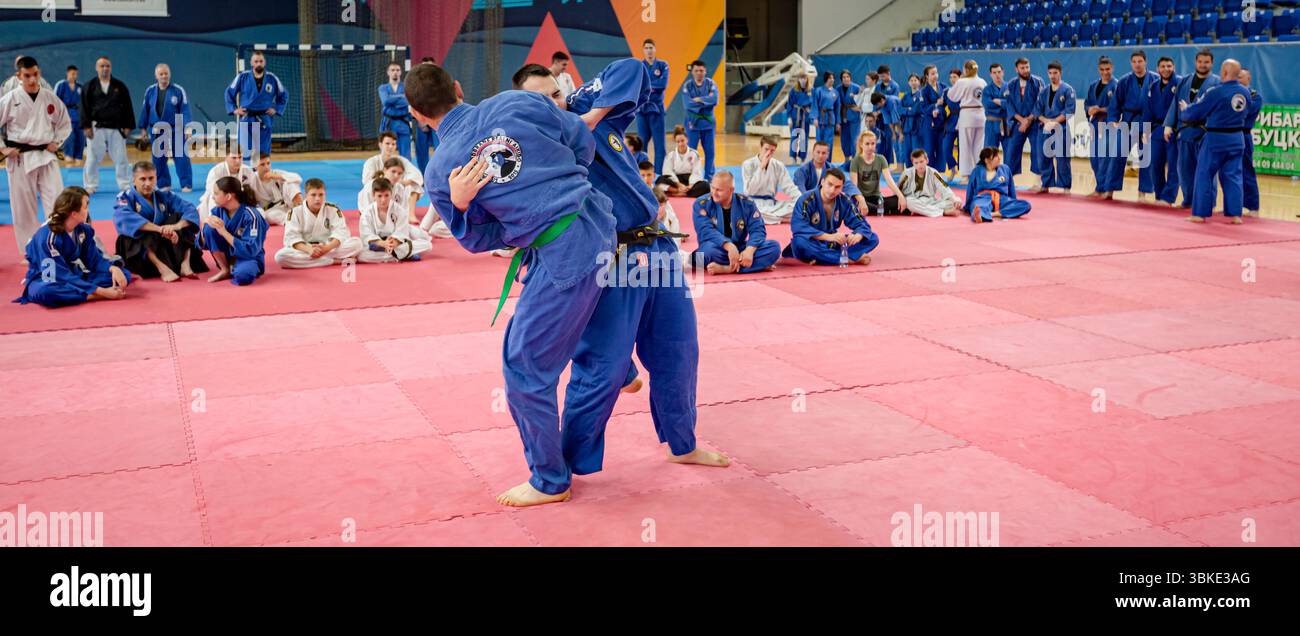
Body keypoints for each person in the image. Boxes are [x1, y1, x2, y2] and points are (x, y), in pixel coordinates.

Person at [409, 62, 619, 507]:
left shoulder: (441, 170)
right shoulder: (519, 100)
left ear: (415, 114)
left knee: (524, 369)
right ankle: (622, 367)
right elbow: (581, 140)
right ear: (460, 87)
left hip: (566, 254)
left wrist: (468, 204)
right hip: (599, 223)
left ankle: (550, 480)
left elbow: (477, 239)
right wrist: (564, 187)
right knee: (566, 311)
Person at [518, 58, 728, 484]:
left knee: (680, 350)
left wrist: (589, 116)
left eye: (558, 93)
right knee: (604, 367)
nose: (557, 105)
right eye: (543, 102)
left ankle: (681, 443)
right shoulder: (538, 152)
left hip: (659, 246)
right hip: (611, 261)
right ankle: (567, 466)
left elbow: (630, 68)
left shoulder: (585, 115)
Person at [14, 186, 131, 307]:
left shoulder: (83, 230)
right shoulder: (49, 238)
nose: (88, 211)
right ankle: (91, 295)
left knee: (123, 275)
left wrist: (113, 269)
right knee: (47, 293)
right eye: (86, 207)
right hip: (46, 277)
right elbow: (59, 275)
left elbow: (94, 260)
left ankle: (85, 291)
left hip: (72, 273)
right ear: (74, 213)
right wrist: (103, 292)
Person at [0, 56, 70, 255]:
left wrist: (56, 141)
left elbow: (64, 122)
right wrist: (3, 148)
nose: (32, 80)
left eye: (35, 74)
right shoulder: (10, 98)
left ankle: (57, 244)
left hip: (46, 157)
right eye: (27, 75)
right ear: (19, 76)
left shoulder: (49, 97)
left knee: (57, 201)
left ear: (40, 72)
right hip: (20, 157)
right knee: (23, 208)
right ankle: (30, 250)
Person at [1179, 59, 1251, 225]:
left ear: (1224, 73)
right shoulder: (1245, 92)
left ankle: (1199, 214)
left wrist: (1185, 110)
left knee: (1204, 174)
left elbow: (1195, 113)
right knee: (1233, 176)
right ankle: (1235, 215)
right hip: (1237, 138)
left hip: (1216, 139)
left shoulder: (1216, 92)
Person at [114, 161, 207, 281]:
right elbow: (124, 218)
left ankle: (185, 263)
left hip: (164, 243)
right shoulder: (125, 197)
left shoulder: (163, 195)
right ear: (134, 180)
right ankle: (163, 269)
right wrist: (160, 229)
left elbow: (189, 209)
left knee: (180, 218)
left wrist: (176, 227)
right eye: (142, 179)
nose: (147, 183)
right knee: (134, 233)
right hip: (142, 253)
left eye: (151, 178)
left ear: (156, 178)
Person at [783, 168, 879, 266]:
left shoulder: (844, 201)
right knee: (799, 242)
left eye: (837, 187)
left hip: (832, 244)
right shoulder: (806, 200)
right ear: (823, 182)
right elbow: (799, 228)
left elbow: (861, 223)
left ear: (842, 188)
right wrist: (830, 237)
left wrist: (858, 235)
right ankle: (847, 258)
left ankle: (825, 258)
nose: (832, 190)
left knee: (872, 237)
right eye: (830, 184)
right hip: (813, 242)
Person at [692, 172, 781, 274]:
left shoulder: (746, 204)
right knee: (704, 253)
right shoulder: (701, 204)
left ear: (731, 190)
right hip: (715, 248)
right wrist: (729, 246)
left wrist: (749, 250)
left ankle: (726, 269)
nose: (714, 193)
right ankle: (755, 266)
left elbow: (758, 229)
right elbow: (706, 231)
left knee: (775, 248)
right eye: (712, 188)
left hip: (740, 249)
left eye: (719, 190)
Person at [1163, 49, 1220, 210]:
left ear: (1212, 63)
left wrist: (1193, 110)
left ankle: (1208, 203)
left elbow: (1217, 108)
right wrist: (1168, 125)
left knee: (1207, 170)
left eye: (1206, 62)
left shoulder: (1217, 83)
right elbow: (1175, 103)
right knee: (1184, 170)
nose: (1203, 65)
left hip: (1205, 132)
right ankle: (1188, 200)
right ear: (1196, 62)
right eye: (1200, 61)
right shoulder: (1185, 80)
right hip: (1185, 131)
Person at [274, 178, 363, 268]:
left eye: (321, 195)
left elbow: (342, 232)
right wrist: (309, 250)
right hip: (305, 249)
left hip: (327, 247)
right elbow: (291, 237)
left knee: (357, 243)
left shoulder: (333, 209)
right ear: (306, 195)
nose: (317, 199)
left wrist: (326, 248)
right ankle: (333, 261)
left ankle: (313, 261)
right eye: (313, 195)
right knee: (281, 257)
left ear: (325, 195)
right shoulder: (294, 212)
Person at [81, 56, 134, 194]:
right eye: (102, 66)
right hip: (96, 126)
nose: (105, 69)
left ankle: (124, 184)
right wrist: (86, 126)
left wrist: (128, 125)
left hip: (116, 126)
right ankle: (90, 185)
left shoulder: (119, 86)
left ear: (111, 68)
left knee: (121, 156)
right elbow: (84, 107)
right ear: (96, 68)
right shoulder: (89, 86)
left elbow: (127, 106)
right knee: (92, 157)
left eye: (107, 66)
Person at [201, 176, 269, 284]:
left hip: (248, 257)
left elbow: (251, 250)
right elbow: (203, 244)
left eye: (216, 193)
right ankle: (225, 269)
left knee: (243, 276)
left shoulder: (252, 216)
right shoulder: (217, 211)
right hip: (227, 257)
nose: (213, 197)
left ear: (228, 196)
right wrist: (205, 224)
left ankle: (236, 268)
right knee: (209, 227)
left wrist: (223, 232)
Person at [1107, 51, 1154, 202]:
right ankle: (1110, 190)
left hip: (1147, 123)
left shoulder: (1155, 80)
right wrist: (1113, 119)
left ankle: (1143, 193)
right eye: (1134, 61)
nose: (1137, 64)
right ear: (1131, 63)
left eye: (1140, 61)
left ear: (1145, 62)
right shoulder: (1124, 81)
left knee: (1145, 159)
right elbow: (1116, 102)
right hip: (1128, 121)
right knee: (1117, 155)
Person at [138, 63, 193, 192]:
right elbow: (145, 110)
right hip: (156, 129)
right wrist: (143, 128)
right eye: (161, 74)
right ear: (156, 76)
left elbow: (185, 110)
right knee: (158, 158)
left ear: (169, 74)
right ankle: (164, 184)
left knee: (181, 157)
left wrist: (188, 127)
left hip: (176, 129)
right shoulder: (150, 91)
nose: (164, 76)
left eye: (166, 73)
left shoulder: (178, 90)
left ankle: (186, 184)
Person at [225, 50, 287, 160]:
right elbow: (229, 92)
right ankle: (244, 176)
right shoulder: (242, 77)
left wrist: (276, 109)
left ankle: (262, 176)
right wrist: (234, 109)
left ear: (265, 62)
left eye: (261, 61)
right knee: (244, 152)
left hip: (264, 118)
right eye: (256, 61)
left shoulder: (272, 78)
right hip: (247, 118)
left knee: (263, 154)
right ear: (251, 63)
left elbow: (283, 95)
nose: (258, 63)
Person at [358, 176, 432, 262]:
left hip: (395, 244)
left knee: (427, 245)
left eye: (386, 195)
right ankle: (403, 254)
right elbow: (366, 235)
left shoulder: (399, 210)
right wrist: (382, 243)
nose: (383, 200)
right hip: (377, 244)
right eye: (379, 196)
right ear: (373, 195)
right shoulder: (367, 213)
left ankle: (394, 255)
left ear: (391, 194)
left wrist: (393, 243)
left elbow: (402, 232)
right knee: (361, 255)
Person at [740, 135, 802, 224]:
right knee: (747, 211)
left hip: (773, 205)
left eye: (772, 151)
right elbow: (749, 191)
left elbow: (789, 187)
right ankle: (782, 219)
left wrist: (801, 201)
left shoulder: (778, 165)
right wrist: (761, 168)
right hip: (754, 203)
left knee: (797, 207)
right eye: (766, 149)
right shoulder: (748, 164)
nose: (768, 153)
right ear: (760, 147)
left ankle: (772, 219)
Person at [1146, 56, 1181, 206]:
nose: (1166, 69)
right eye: (1163, 66)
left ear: (1173, 67)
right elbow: (1148, 109)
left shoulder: (1180, 83)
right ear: (1157, 69)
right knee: (1155, 164)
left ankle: (1168, 198)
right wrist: (1146, 129)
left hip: (1174, 129)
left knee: (1174, 165)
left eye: (1169, 66)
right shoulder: (1153, 86)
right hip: (1157, 129)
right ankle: (1159, 195)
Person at [1035, 61, 1075, 194]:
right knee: (1042, 158)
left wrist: (1054, 121)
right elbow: (1037, 111)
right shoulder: (1044, 91)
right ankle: (1045, 184)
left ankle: (1065, 187)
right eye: (1050, 73)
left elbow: (1069, 111)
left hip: (1061, 129)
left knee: (1062, 159)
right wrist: (1046, 121)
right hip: (1045, 128)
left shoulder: (1068, 90)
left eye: (1055, 73)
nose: (1053, 76)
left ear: (1060, 73)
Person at [964, 147, 1031, 223]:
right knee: (978, 206)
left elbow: (1011, 189)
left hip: (1002, 199)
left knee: (1026, 205)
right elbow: (970, 189)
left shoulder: (1005, 169)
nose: (999, 158)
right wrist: (968, 206)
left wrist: (1013, 202)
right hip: (983, 198)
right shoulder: (977, 170)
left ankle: (993, 214)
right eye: (995, 156)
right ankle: (979, 216)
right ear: (987, 160)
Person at [1005, 58, 1044, 183]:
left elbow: (1040, 103)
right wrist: (1022, 120)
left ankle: (1038, 181)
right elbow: (1009, 104)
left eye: (1027, 67)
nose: (1026, 70)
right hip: (1018, 123)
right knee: (1012, 151)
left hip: (1034, 123)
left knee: (1037, 151)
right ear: (1017, 69)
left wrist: (1028, 120)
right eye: (1022, 68)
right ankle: (1009, 181)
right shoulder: (1011, 84)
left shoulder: (1038, 82)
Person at [848, 130, 907, 215]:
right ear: (861, 145)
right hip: (861, 197)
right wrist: (861, 200)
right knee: (857, 205)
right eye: (867, 144)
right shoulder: (855, 161)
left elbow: (889, 180)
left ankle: (879, 210)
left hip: (876, 198)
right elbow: (854, 186)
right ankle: (885, 211)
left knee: (901, 201)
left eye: (873, 144)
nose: (870, 147)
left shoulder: (881, 159)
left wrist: (900, 195)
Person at [947, 60, 987, 183]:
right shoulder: (982, 81)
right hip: (981, 115)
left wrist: (960, 82)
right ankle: (980, 174)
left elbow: (951, 96)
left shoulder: (962, 81)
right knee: (979, 147)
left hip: (967, 115)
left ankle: (966, 175)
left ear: (966, 70)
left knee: (965, 146)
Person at [198, 147, 256, 225]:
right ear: (226, 157)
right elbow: (214, 193)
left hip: (238, 203)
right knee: (213, 198)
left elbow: (251, 193)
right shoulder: (216, 171)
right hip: (219, 202)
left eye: (240, 157)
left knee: (260, 213)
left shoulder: (248, 171)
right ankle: (213, 221)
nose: (238, 161)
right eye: (234, 158)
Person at [636, 39, 670, 174]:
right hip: (642, 110)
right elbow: (637, 85)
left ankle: (659, 174)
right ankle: (642, 173)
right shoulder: (639, 66)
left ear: (655, 49)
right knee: (641, 144)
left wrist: (646, 87)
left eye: (651, 47)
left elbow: (663, 85)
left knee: (659, 145)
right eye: (646, 48)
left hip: (657, 110)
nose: (649, 50)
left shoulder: (662, 65)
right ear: (643, 50)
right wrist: (653, 87)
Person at [681, 59, 718, 181]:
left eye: (701, 70)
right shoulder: (687, 86)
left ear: (705, 71)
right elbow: (688, 104)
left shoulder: (711, 84)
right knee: (691, 153)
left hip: (708, 124)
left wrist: (698, 99)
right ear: (692, 72)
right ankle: (691, 177)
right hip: (693, 123)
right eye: (696, 70)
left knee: (710, 153)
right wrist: (706, 101)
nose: (699, 73)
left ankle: (710, 178)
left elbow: (715, 100)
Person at [1086, 56, 1118, 198]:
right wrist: (1089, 110)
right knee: (1094, 158)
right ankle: (1099, 187)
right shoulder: (1093, 85)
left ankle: (1104, 188)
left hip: (1108, 124)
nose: (1105, 72)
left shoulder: (1116, 85)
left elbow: (1117, 106)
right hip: (1095, 125)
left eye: (1108, 69)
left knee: (1105, 158)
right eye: (1102, 70)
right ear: (1099, 70)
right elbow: (1087, 103)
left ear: (1112, 68)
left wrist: (1100, 109)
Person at [897, 149, 959, 217]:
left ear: (927, 160)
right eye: (916, 163)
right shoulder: (907, 173)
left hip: (930, 201)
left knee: (953, 202)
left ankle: (923, 211)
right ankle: (943, 212)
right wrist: (901, 199)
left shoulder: (934, 173)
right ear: (913, 163)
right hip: (913, 200)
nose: (919, 165)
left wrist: (954, 198)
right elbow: (898, 189)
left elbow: (944, 186)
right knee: (909, 202)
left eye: (921, 161)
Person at [248, 154, 302, 225]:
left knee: (290, 183)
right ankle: (293, 220)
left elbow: (298, 178)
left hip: (288, 203)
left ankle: (302, 211)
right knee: (269, 216)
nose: (266, 167)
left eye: (268, 163)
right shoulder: (252, 179)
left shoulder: (275, 173)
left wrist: (279, 177)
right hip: (273, 211)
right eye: (262, 164)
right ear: (255, 167)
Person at [656, 125, 709, 197]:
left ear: (687, 139)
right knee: (660, 181)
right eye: (678, 141)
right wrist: (678, 185)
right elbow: (667, 172)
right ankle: (679, 191)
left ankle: (679, 193)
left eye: (682, 141)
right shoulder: (671, 155)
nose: (680, 144)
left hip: (690, 181)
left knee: (706, 186)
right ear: (675, 141)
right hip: (675, 181)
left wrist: (691, 185)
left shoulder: (694, 153)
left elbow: (697, 171)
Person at [378, 61, 414, 159]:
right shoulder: (383, 88)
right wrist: (401, 97)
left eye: (397, 70)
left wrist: (393, 99)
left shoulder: (406, 87)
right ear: (388, 72)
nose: (395, 72)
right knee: (386, 152)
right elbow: (385, 101)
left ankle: (406, 174)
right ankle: (385, 172)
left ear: (401, 72)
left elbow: (408, 101)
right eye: (392, 70)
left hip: (403, 122)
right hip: (389, 122)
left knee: (405, 154)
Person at [1241, 68, 1263, 217]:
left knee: (1246, 171)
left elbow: (1244, 112)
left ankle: (1253, 207)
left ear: (1249, 78)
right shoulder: (1229, 94)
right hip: (1226, 135)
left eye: (1241, 77)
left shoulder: (1255, 96)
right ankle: (1232, 206)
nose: (1238, 80)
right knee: (1227, 173)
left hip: (1243, 135)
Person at [53, 66, 84, 166]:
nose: (74, 76)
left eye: (76, 74)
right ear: (68, 73)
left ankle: (79, 155)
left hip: (78, 115)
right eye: (72, 74)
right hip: (67, 114)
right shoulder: (61, 85)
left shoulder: (80, 86)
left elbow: (84, 102)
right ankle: (68, 154)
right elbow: (55, 101)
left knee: (80, 137)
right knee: (70, 137)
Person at [920, 65, 947, 174]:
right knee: (929, 148)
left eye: (936, 73)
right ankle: (929, 172)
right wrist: (935, 105)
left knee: (941, 147)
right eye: (932, 74)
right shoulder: (924, 91)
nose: (935, 76)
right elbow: (924, 107)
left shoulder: (943, 87)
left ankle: (940, 173)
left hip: (941, 121)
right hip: (929, 122)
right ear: (927, 76)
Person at [871, 91, 903, 171]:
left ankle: (901, 167)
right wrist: (893, 133)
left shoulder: (891, 101)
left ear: (882, 100)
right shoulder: (882, 106)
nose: (877, 107)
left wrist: (901, 133)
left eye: (878, 104)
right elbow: (888, 120)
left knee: (901, 145)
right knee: (895, 144)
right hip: (897, 123)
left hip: (904, 122)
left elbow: (897, 120)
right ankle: (899, 167)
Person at [812, 71, 840, 161]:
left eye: (833, 78)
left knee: (829, 142)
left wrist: (838, 122)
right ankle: (817, 160)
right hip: (820, 118)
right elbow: (815, 105)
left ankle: (828, 162)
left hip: (830, 119)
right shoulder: (818, 90)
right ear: (826, 79)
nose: (832, 80)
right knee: (819, 141)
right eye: (830, 78)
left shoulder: (835, 92)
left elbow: (837, 108)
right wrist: (815, 118)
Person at [836, 70, 863, 161]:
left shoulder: (856, 88)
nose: (846, 79)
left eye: (847, 77)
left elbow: (862, 102)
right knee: (844, 139)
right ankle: (846, 158)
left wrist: (858, 107)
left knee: (854, 139)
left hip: (854, 116)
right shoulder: (838, 89)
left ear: (850, 78)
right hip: (843, 116)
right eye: (844, 77)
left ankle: (855, 159)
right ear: (841, 79)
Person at [982, 63, 1007, 160]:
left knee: (1010, 152)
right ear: (990, 74)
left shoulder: (1010, 87)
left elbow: (1012, 104)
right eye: (994, 72)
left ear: (1003, 72)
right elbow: (987, 104)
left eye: (999, 72)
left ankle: (1007, 174)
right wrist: (1003, 106)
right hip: (991, 123)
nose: (997, 75)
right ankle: (988, 174)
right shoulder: (987, 90)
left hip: (1007, 123)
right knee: (989, 152)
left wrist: (999, 101)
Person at [786, 73, 813, 163]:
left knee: (804, 137)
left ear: (807, 79)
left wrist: (811, 112)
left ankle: (802, 158)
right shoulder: (794, 90)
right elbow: (789, 104)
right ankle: (793, 157)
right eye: (801, 78)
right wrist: (789, 117)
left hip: (806, 116)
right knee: (795, 136)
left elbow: (814, 103)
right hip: (795, 115)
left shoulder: (811, 90)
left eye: (804, 78)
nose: (803, 80)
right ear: (798, 79)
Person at [901, 73, 925, 173]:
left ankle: (919, 171)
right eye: (911, 80)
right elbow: (900, 110)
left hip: (917, 125)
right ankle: (909, 172)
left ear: (919, 82)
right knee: (907, 151)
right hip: (906, 126)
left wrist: (908, 110)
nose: (913, 82)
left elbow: (916, 110)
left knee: (916, 150)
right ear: (908, 82)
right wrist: (908, 110)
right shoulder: (905, 96)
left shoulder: (921, 95)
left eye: (915, 80)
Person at [940, 69, 961, 178]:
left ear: (960, 78)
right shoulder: (946, 91)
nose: (952, 79)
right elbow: (941, 106)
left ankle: (964, 174)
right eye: (951, 77)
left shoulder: (965, 90)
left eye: (955, 77)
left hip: (963, 120)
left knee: (962, 150)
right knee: (946, 148)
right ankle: (952, 168)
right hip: (951, 121)